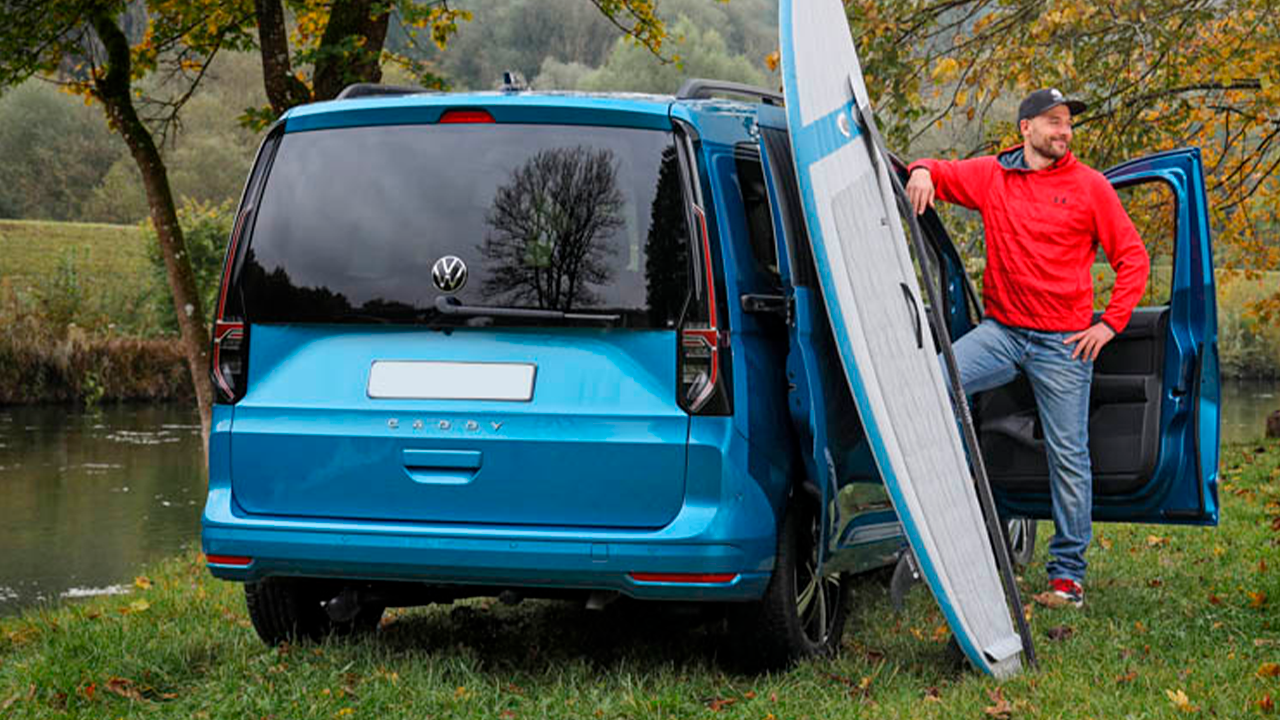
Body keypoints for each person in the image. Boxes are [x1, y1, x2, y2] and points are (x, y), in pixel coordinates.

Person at [905, 88, 1150, 608]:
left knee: (1069, 456)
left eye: (1068, 123)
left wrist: (1109, 325)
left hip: (1064, 344)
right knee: (929, 387)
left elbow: (1133, 258)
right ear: (1026, 128)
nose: (1064, 131)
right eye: (1054, 121)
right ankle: (942, 531)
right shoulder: (993, 176)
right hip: (1003, 333)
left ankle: (1068, 578)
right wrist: (921, 171)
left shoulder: (1090, 187)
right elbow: (938, 171)